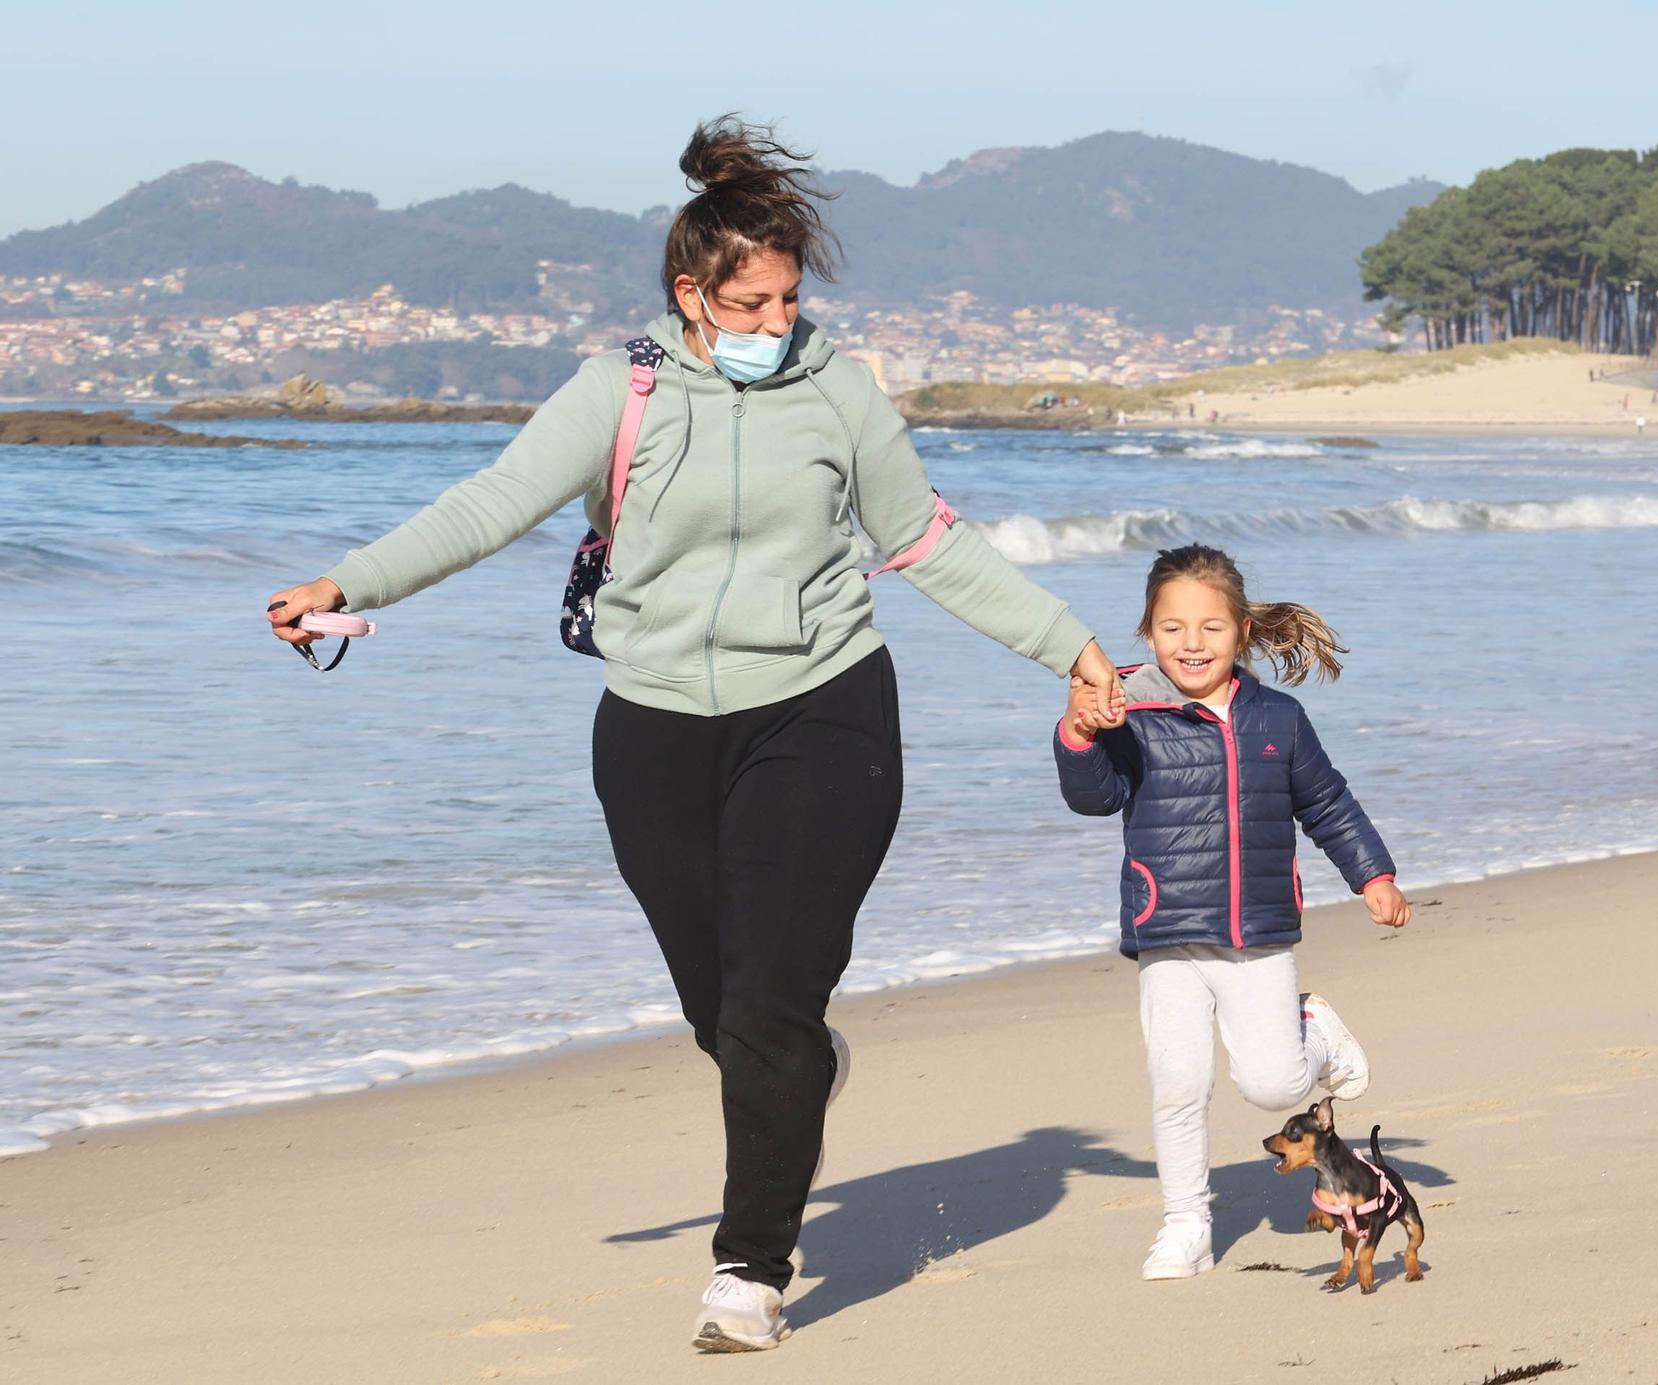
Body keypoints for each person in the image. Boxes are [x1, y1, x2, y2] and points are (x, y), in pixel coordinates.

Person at [263, 117, 1129, 1355]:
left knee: (769, 999)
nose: (776, 321)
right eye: (751, 302)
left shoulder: (838, 388)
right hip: (655, 723)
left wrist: (1069, 642)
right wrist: (345, 582)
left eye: (787, 299)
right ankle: (796, 1068)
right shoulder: (614, 389)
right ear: (691, 294)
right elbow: (493, 501)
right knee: (721, 1006)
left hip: (824, 707)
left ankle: (749, 1267)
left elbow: (927, 539)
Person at [1053, 544, 1408, 1280]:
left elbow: (1327, 801)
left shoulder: (1277, 717)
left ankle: (1317, 1035)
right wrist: (1080, 733)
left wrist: (1371, 873)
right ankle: (1186, 1225)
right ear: (1148, 633)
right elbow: (1094, 796)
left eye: (1210, 627)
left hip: (1258, 936)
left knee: (1274, 1086)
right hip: (1169, 933)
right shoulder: (1130, 710)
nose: (1192, 643)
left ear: (1243, 631)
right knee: (1178, 1081)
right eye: (1173, 627)